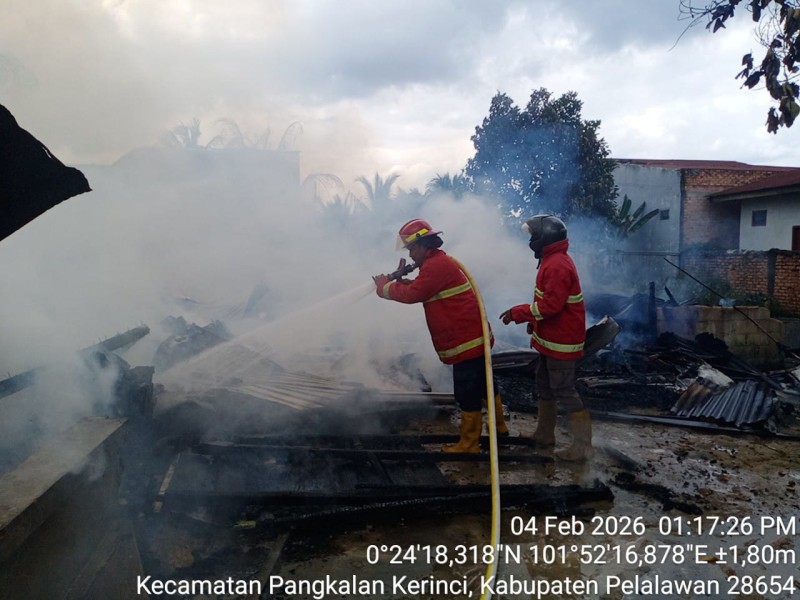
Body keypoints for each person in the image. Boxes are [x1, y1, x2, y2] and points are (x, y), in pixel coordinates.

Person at [372, 218, 509, 453]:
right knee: (485, 384)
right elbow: (425, 288)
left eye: (412, 249)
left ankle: (469, 444)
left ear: (424, 245)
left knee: (467, 391)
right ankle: (499, 429)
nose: (411, 254)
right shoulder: (436, 263)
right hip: (472, 338)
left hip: (466, 340)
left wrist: (384, 288)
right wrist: (402, 280)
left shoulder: (436, 266)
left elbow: (414, 294)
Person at [499, 214, 591, 462]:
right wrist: (534, 321)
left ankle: (582, 447)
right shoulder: (551, 260)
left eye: (532, 236)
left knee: (563, 389)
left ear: (543, 238)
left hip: (562, 342)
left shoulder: (557, 265)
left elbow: (550, 306)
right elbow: (545, 303)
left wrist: (519, 313)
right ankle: (544, 435)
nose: (530, 240)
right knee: (545, 386)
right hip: (551, 338)